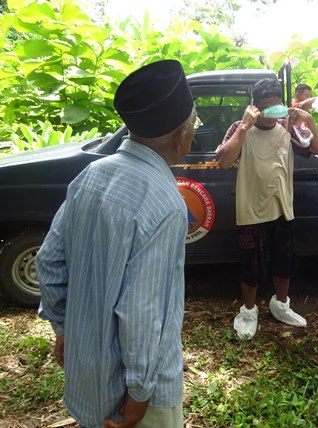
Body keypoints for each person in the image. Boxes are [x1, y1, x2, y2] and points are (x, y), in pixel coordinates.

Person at [37, 59, 196, 428]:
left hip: (87, 374)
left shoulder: (92, 174)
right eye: (194, 125)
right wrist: (139, 397)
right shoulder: (165, 202)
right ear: (179, 136)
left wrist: (62, 329)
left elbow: (48, 262)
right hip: (133, 398)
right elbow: (142, 313)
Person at [216, 78, 318, 340]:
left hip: (282, 207)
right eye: (264, 108)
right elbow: (223, 161)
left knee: (284, 260)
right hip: (250, 209)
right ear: (254, 107)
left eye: (275, 107)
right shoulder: (240, 128)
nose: (270, 114)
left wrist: (307, 119)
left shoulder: (287, 128)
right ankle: (249, 311)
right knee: (250, 264)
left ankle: (281, 305)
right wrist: (244, 125)